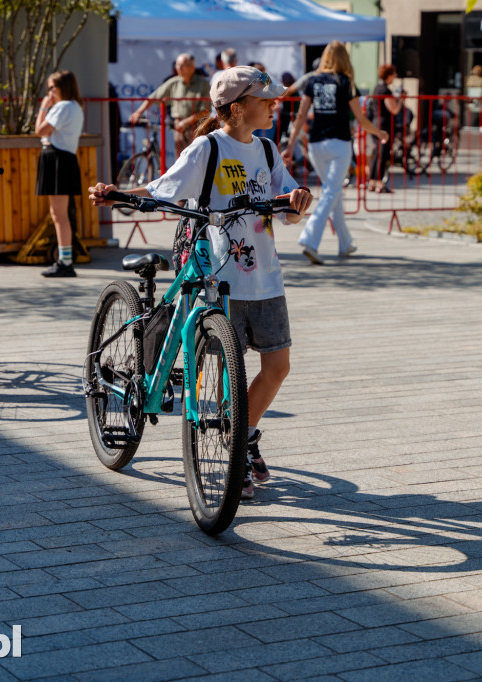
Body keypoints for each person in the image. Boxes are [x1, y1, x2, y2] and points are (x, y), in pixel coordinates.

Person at [89, 65, 313, 500]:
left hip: (265, 277)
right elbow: (163, 189)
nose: (275, 103)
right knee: (225, 368)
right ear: (237, 106)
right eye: (265, 98)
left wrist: (299, 200)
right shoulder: (207, 149)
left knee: (278, 367)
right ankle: (231, 450)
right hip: (217, 276)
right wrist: (120, 194)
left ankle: (242, 434)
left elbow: (287, 205)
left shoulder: (267, 151)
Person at [282, 41, 388, 264]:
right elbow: (360, 118)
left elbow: (301, 116)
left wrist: (291, 146)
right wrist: (379, 133)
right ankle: (310, 239)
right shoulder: (346, 82)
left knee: (334, 192)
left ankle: (345, 243)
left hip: (316, 145)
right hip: (339, 144)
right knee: (331, 192)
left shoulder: (313, 81)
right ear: (344, 59)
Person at [35, 70, 84, 278]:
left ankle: (65, 261)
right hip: (62, 159)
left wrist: (44, 106)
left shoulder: (63, 106)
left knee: (59, 214)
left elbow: (40, 130)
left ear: (63, 87)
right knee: (59, 214)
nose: (50, 92)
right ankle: (64, 259)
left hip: (57, 159)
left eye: (52, 87)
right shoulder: (75, 107)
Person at [128, 53, 210, 157]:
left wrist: (184, 123)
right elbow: (153, 97)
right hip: (179, 128)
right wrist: (138, 112)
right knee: (182, 161)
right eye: (177, 65)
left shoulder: (203, 84)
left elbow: (205, 111)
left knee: (199, 160)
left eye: (182, 65)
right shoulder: (174, 82)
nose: (178, 68)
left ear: (192, 67)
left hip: (198, 128)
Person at [367, 63, 403, 193]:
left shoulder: (377, 88)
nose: (395, 77)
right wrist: (400, 100)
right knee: (383, 154)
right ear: (389, 75)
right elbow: (394, 109)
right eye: (393, 74)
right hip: (384, 125)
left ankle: (372, 182)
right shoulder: (385, 90)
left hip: (376, 123)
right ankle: (379, 184)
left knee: (378, 154)